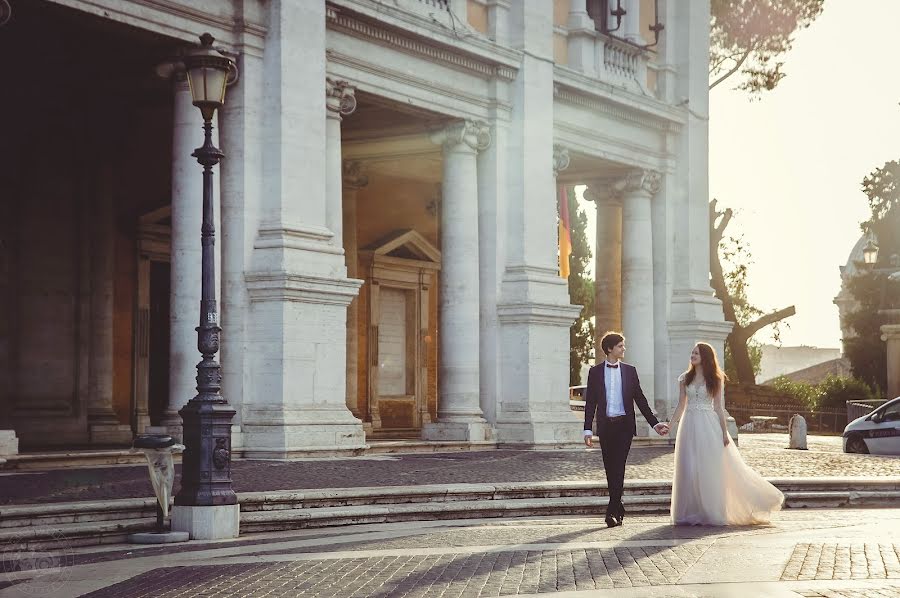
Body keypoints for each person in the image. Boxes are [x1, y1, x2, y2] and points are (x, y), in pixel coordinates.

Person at [668, 342, 784, 526]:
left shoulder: (716, 379)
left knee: (709, 468)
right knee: (689, 467)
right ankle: (690, 512)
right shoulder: (684, 378)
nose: (692, 355)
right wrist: (670, 425)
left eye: (696, 353)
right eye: (692, 352)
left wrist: (724, 433)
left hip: (708, 425)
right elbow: (681, 405)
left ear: (705, 356)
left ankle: (712, 511)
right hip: (688, 425)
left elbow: (718, 408)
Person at [583, 332, 669, 528]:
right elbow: (590, 403)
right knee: (609, 468)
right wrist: (587, 429)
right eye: (621, 346)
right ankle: (618, 506)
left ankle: (611, 510)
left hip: (624, 427)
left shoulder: (630, 371)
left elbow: (640, 399)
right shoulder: (595, 372)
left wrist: (655, 423)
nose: (624, 349)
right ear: (610, 349)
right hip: (605, 427)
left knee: (619, 466)